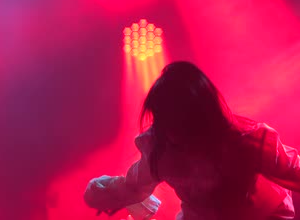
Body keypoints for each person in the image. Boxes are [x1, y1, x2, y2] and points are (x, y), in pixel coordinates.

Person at [84, 61, 300, 220]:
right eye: (163, 118)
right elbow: (133, 186)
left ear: (198, 115)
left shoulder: (246, 143)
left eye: (177, 119)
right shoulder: (160, 153)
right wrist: (102, 193)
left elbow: (293, 169)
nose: (170, 129)